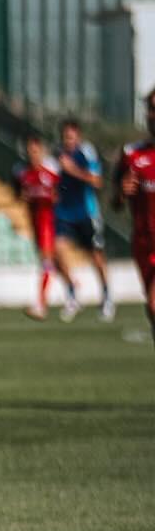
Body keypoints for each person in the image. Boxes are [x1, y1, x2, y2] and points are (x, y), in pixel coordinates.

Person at [55, 119, 113, 321]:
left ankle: (106, 296)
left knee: (96, 257)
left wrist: (73, 170)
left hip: (86, 213)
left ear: (78, 136)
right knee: (57, 251)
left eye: (71, 137)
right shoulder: (58, 154)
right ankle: (72, 294)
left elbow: (97, 181)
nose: (68, 140)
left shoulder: (86, 153)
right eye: (65, 137)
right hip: (64, 213)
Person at [113, 87, 155, 350]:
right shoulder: (132, 155)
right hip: (143, 244)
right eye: (151, 108)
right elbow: (115, 204)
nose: (154, 114)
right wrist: (121, 193)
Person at [14, 133, 68, 322]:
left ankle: (41, 304)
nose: (33, 154)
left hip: (50, 221)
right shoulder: (23, 173)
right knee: (50, 262)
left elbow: (61, 194)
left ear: (42, 151)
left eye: (36, 151)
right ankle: (72, 288)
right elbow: (18, 194)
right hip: (35, 222)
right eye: (30, 151)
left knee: (47, 261)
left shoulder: (51, 171)